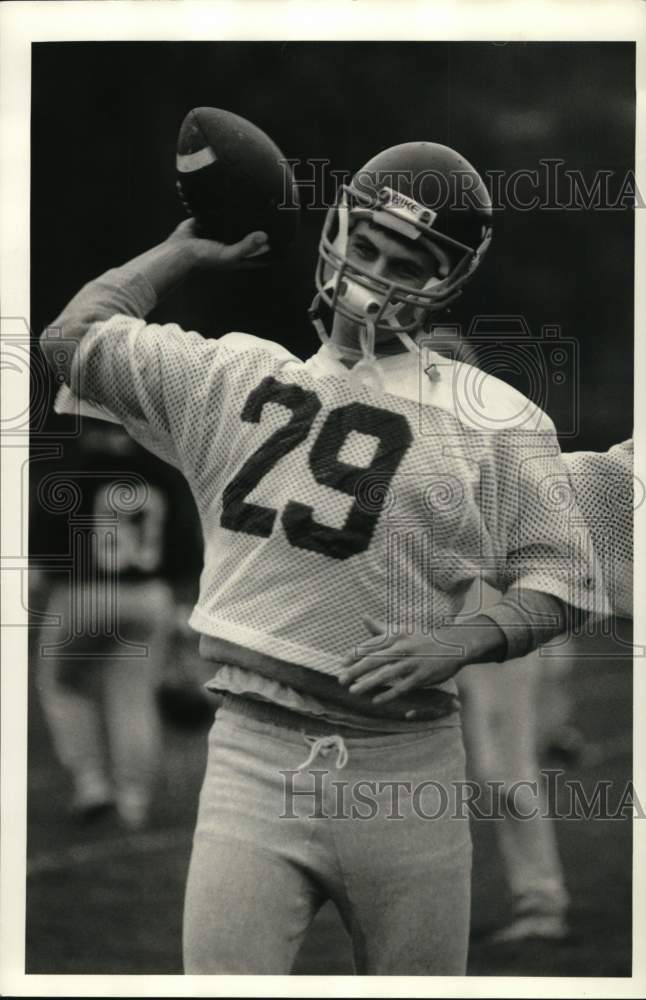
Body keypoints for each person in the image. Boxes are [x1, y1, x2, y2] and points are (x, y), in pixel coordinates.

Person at [41, 141, 603, 975]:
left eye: (405, 260)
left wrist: (463, 641)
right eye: (367, 245)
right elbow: (72, 336)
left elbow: (567, 579)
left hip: (406, 766)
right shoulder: (231, 374)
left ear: (447, 279)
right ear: (337, 231)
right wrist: (184, 249)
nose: (373, 273)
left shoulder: (493, 418)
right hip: (252, 750)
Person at [458, 438, 634, 943]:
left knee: (503, 772)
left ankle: (541, 902)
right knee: (482, 765)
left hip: (495, 619)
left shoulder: (493, 460)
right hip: (468, 618)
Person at [35, 425, 176, 827]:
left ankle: (92, 784)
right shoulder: (159, 473)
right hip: (149, 595)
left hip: (87, 592)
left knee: (62, 684)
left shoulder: (75, 472)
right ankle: (134, 802)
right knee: (133, 696)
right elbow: (185, 549)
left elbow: (46, 556)